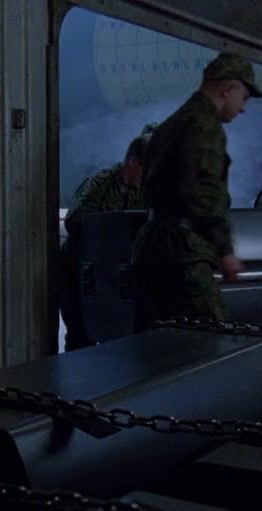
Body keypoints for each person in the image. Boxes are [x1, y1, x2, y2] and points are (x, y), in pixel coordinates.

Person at [131, 52, 261, 332]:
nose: (243, 109)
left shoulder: (173, 123)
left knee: (153, 345)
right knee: (214, 339)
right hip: (183, 253)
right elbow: (202, 189)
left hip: (151, 248)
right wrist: (225, 250)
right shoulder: (204, 125)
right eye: (244, 98)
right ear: (228, 89)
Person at [59, 125, 157, 351]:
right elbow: (75, 221)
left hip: (116, 277)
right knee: (81, 337)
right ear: (133, 162)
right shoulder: (101, 184)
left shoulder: (145, 192)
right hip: (84, 274)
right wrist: (109, 230)